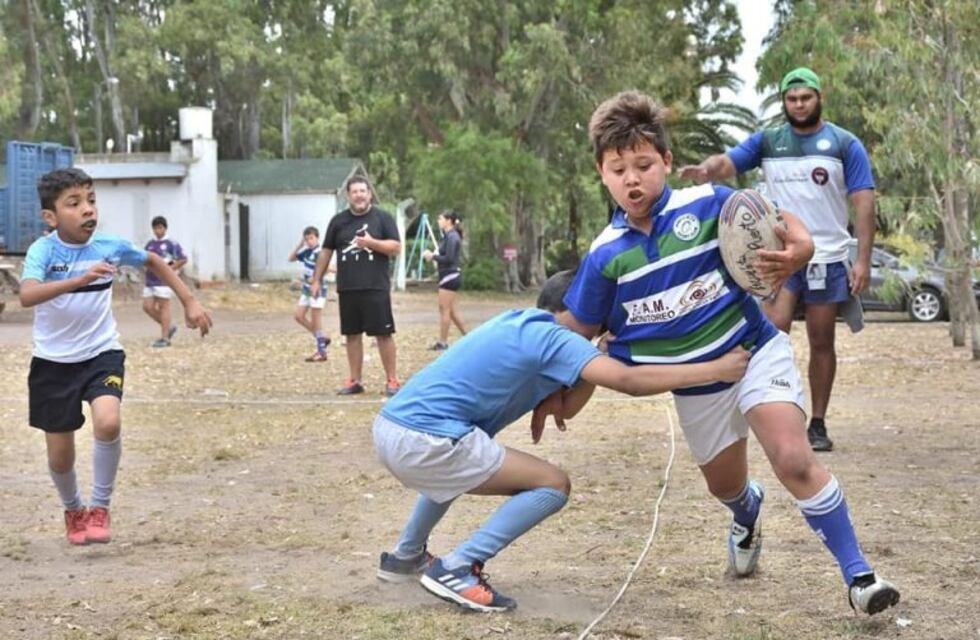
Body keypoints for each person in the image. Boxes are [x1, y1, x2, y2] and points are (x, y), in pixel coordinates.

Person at [551, 91, 898, 615]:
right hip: (697, 384)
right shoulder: (604, 258)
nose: (632, 179)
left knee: (792, 457)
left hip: (753, 351)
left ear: (667, 161)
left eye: (644, 165)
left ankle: (860, 578)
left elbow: (780, 220)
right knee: (724, 485)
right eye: (618, 170)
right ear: (601, 173)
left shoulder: (709, 203)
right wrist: (539, 378)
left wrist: (801, 248)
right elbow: (577, 332)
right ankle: (746, 511)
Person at [373, 270, 750, 612]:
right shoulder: (556, 339)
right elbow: (629, 381)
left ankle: (406, 556)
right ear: (585, 304)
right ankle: (458, 566)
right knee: (553, 484)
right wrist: (714, 370)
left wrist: (596, 355)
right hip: (427, 441)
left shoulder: (522, 323)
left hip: (392, 429)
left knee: (459, 465)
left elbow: (567, 408)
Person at [679, 67, 876, 452]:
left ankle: (817, 423)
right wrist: (707, 169)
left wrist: (863, 260)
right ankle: (771, 412)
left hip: (826, 256)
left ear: (819, 98)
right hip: (779, 255)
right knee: (771, 333)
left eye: (805, 97)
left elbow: (864, 201)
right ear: (784, 102)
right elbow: (728, 162)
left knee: (822, 339)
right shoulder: (769, 140)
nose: (799, 104)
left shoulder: (844, 143)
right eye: (791, 98)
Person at [19, 168, 212, 545]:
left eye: (91, 200)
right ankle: (74, 509)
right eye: (74, 203)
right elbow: (27, 295)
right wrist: (79, 280)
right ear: (51, 217)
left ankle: (100, 508)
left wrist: (189, 301)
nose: (88, 209)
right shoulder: (43, 251)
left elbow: (153, 261)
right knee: (60, 457)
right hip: (53, 363)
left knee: (108, 422)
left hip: (101, 353)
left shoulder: (109, 245)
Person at [311, 176, 402, 396]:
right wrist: (316, 279)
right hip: (348, 287)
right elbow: (326, 252)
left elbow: (396, 247)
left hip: (375, 287)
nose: (359, 195)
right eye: (355, 192)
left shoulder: (382, 218)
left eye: (363, 191)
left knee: (383, 334)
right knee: (352, 335)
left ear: (369, 194)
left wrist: (371, 243)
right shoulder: (338, 222)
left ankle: (392, 380)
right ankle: (355, 380)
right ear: (348, 196)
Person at [423, 210, 467, 350]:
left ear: (449, 221)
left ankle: (442, 342)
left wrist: (432, 257)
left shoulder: (452, 237)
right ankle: (469, 337)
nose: (438, 221)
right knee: (452, 311)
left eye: (440, 218)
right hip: (447, 275)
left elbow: (449, 258)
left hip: (450, 276)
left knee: (444, 309)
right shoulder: (448, 236)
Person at [142, 215, 187, 348]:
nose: (158, 231)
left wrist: (169, 270)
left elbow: (183, 258)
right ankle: (169, 327)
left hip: (164, 281)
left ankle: (165, 338)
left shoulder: (171, 244)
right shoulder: (150, 244)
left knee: (164, 307)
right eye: (155, 228)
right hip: (150, 280)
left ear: (165, 228)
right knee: (147, 306)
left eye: (160, 228)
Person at [288, 226, 331, 362]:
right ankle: (322, 338)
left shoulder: (320, 253)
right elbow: (291, 258)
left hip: (317, 289)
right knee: (298, 316)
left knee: (316, 319)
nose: (309, 241)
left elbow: (327, 268)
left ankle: (321, 351)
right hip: (306, 289)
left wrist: (315, 278)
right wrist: (300, 244)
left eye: (311, 238)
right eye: (307, 239)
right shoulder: (307, 251)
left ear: (317, 238)